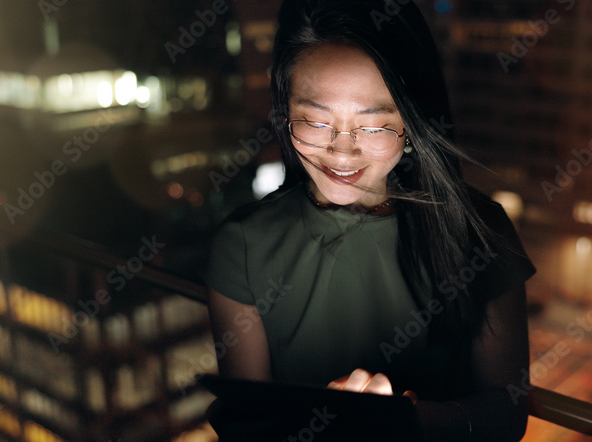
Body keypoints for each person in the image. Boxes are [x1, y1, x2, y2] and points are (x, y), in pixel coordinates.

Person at [204, 0, 536, 440]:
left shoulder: (482, 230)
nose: (342, 152)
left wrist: (402, 419)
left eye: (375, 126)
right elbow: (247, 419)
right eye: (315, 122)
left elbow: (509, 414)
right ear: (285, 117)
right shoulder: (242, 244)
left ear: (412, 124)